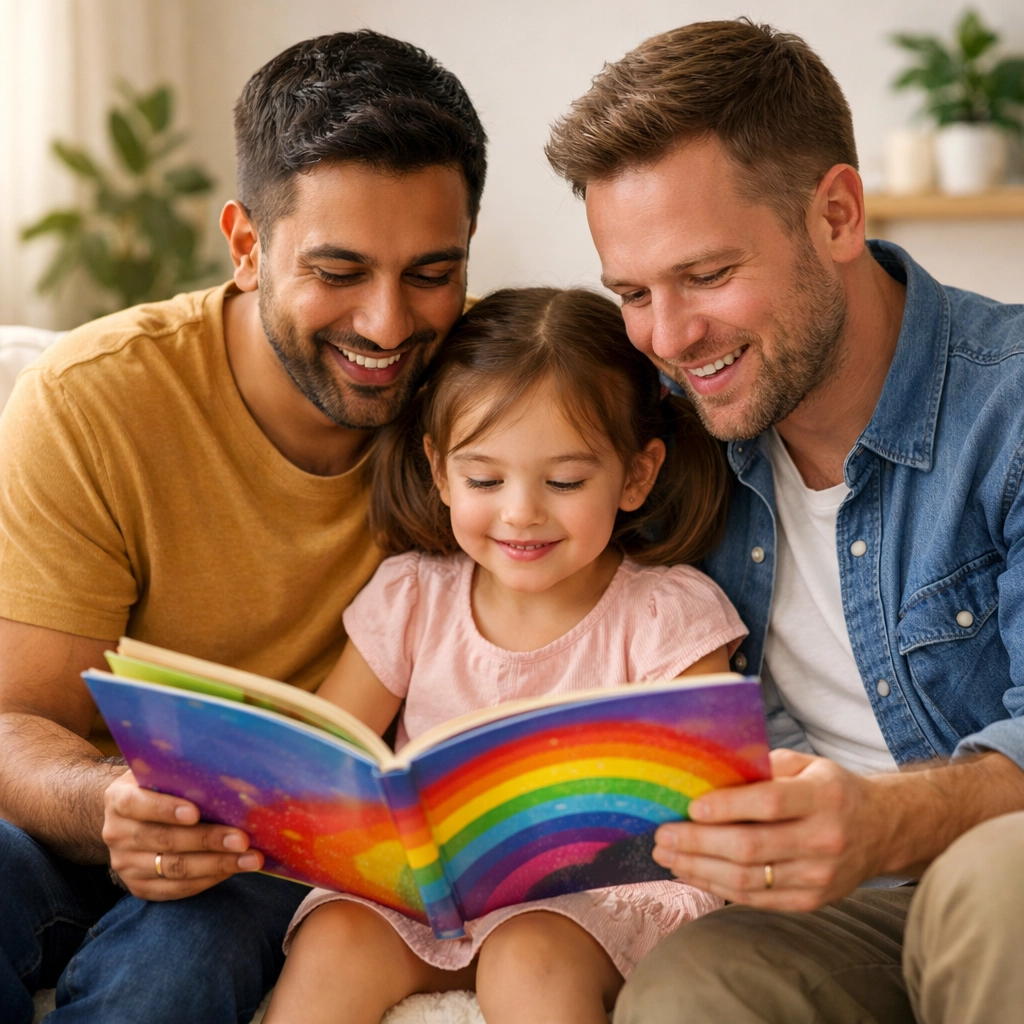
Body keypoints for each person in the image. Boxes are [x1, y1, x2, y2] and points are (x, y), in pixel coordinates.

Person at [0, 31, 486, 1023]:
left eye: (431, 272)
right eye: (339, 271)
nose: (389, 326)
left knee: (186, 953)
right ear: (247, 244)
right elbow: (14, 724)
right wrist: (113, 806)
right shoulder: (99, 399)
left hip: (264, 863)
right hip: (83, 819)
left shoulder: (488, 410)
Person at [545, 18, 1024, 1024]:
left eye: (707, 275)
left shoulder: (1008, 409)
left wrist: (883, 824)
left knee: (1000, 886)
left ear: (836, 215)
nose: (668, 338)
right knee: (685, 987)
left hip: (994, 876)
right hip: (838, 914)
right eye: (632, 292)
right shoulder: (662, 446)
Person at [262, 287, 747, 1024]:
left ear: (636, 475)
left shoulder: (664, 615)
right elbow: (326, 752)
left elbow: (707, 805)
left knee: (529, 951)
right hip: (432, 892)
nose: (522, 511)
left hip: (593, 903)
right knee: (334, 939)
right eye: (485, 480)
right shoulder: (414, 597)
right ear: (438, 469)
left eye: (564, 481)